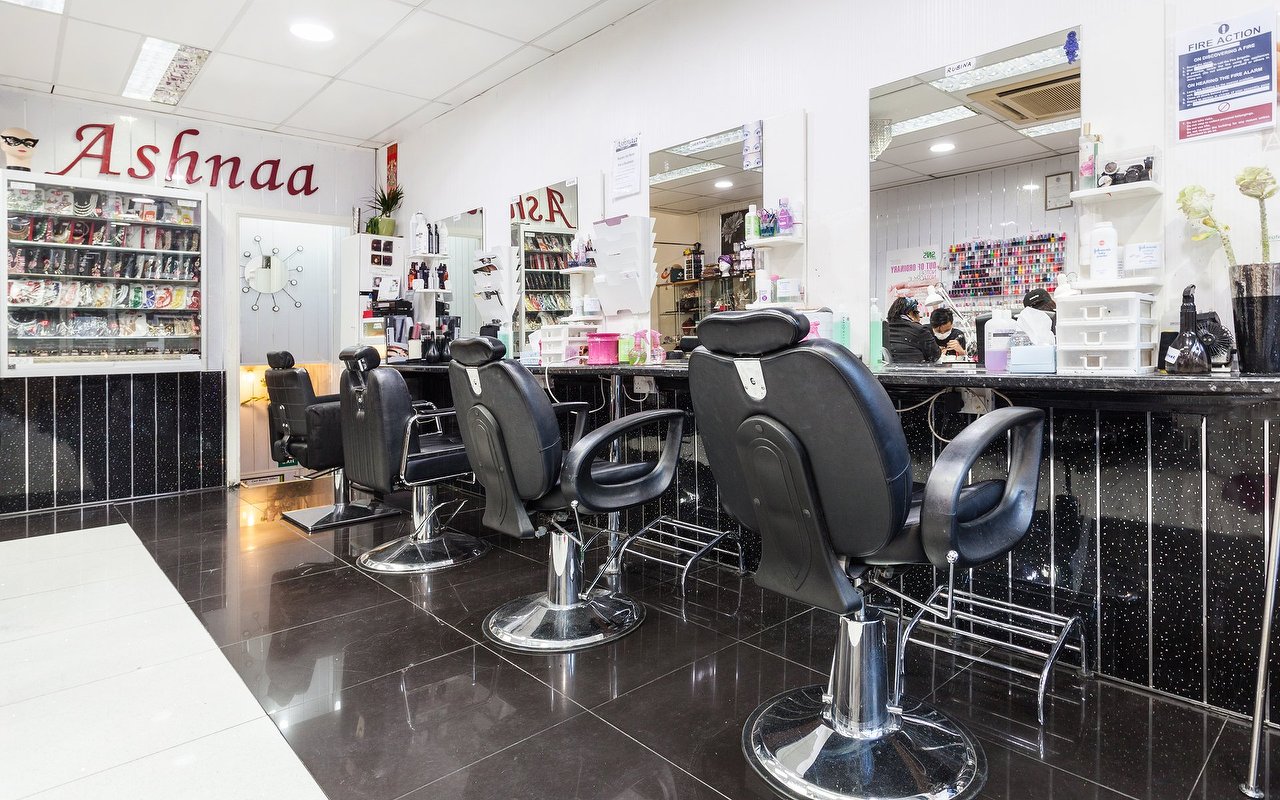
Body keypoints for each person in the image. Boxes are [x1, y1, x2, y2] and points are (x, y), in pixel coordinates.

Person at [886, 296, 940, 363]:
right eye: (917, 313)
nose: (919, 318)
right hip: (914, 369)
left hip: (888, 369)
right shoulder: (920, 330)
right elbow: (935, 356)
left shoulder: (884, 330)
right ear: (910, 313)